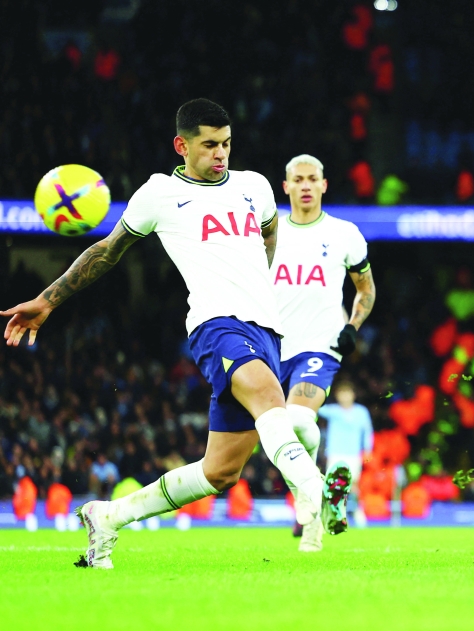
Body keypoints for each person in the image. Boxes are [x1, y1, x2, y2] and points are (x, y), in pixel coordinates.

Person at [2, 99, 342, 569]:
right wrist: (47, 300)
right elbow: (107, 251)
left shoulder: (255, 187)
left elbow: (268, 235)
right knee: (269, 398)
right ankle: (319, 493)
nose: (220, 154)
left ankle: (107, 516)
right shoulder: (160, 193)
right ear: (182, 145)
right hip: (216, 325)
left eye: (226, 144)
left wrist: (256, 286)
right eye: (208, 145)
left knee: (221, 471)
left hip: (266, 330)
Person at [272, 154, 376, 552]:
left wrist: (352, 326)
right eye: (297, 179)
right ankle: (318, 510)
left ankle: (312, 500)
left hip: (320, 346)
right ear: (286, 187)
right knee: (277, 436)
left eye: (312, 179)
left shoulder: (345, 233)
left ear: (324, 184)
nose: (305, 186)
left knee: (298, 418)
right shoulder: (268, 232)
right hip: (270, 346)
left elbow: (366, 290)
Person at [318, 380, 374, 534]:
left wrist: (368, 449)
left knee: (353, 485)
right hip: (335, 453)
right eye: (342, 393)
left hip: (353, 454)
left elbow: (367, 431)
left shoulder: (361, 412)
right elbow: (316, 407)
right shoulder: (332, 410)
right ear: (337, 395)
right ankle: (330, 516)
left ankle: (357, 512)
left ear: (353, 395)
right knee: (332, 485)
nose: (345, 396)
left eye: (347, 393)